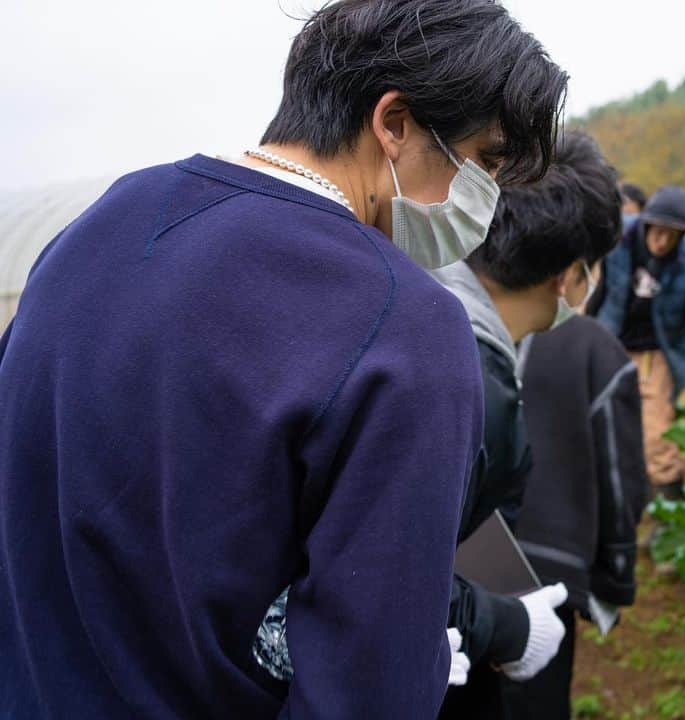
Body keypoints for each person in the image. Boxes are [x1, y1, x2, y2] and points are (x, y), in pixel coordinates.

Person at [0, 2, 567, 718]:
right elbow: (370, 691)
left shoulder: (104, 224)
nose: (482, 201)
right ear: (394, 124)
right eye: (485, 161)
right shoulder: (405, 326)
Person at [432, 130, 622, 720]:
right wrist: (508, 625)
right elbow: (397, 574)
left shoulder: (437, 320)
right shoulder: (471, 380)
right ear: (567, 278)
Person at [500, 137, 649, 720]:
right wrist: (614, 578)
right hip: (550, 574)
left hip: (454, 578)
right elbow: (621, 477)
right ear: (573, 271)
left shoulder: (443, 324)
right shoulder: (596, 349)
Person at [591, 185, 685, 499]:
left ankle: (671, 511)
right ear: (646, 224)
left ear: (682, 236)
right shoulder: (620, 241)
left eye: (671, 235)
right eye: (656, 232)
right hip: (612, 344)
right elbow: (598, 294)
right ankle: (624, 505)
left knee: (657, 440)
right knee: (605, 429)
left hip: (656, 356)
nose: (661, 242)